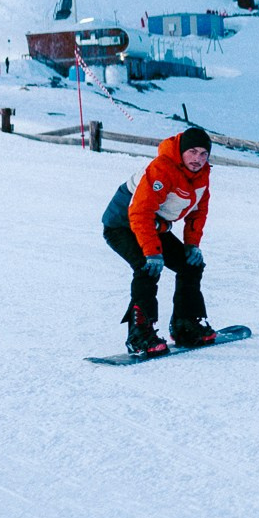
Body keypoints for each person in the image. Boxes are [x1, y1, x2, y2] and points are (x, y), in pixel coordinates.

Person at [100, 125, 215, 357]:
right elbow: (139, 212)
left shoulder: (201, 176)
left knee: (190, 264)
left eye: (204, 154)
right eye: (192, 151)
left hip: (152, 225)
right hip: (122, 224)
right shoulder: (162, 169)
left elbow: (197, 212)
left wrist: (192, 245)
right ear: (181, 151)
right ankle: (139, 335)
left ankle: (186, 324)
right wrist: (152, 252)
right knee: (147, 267)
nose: (198, 159)